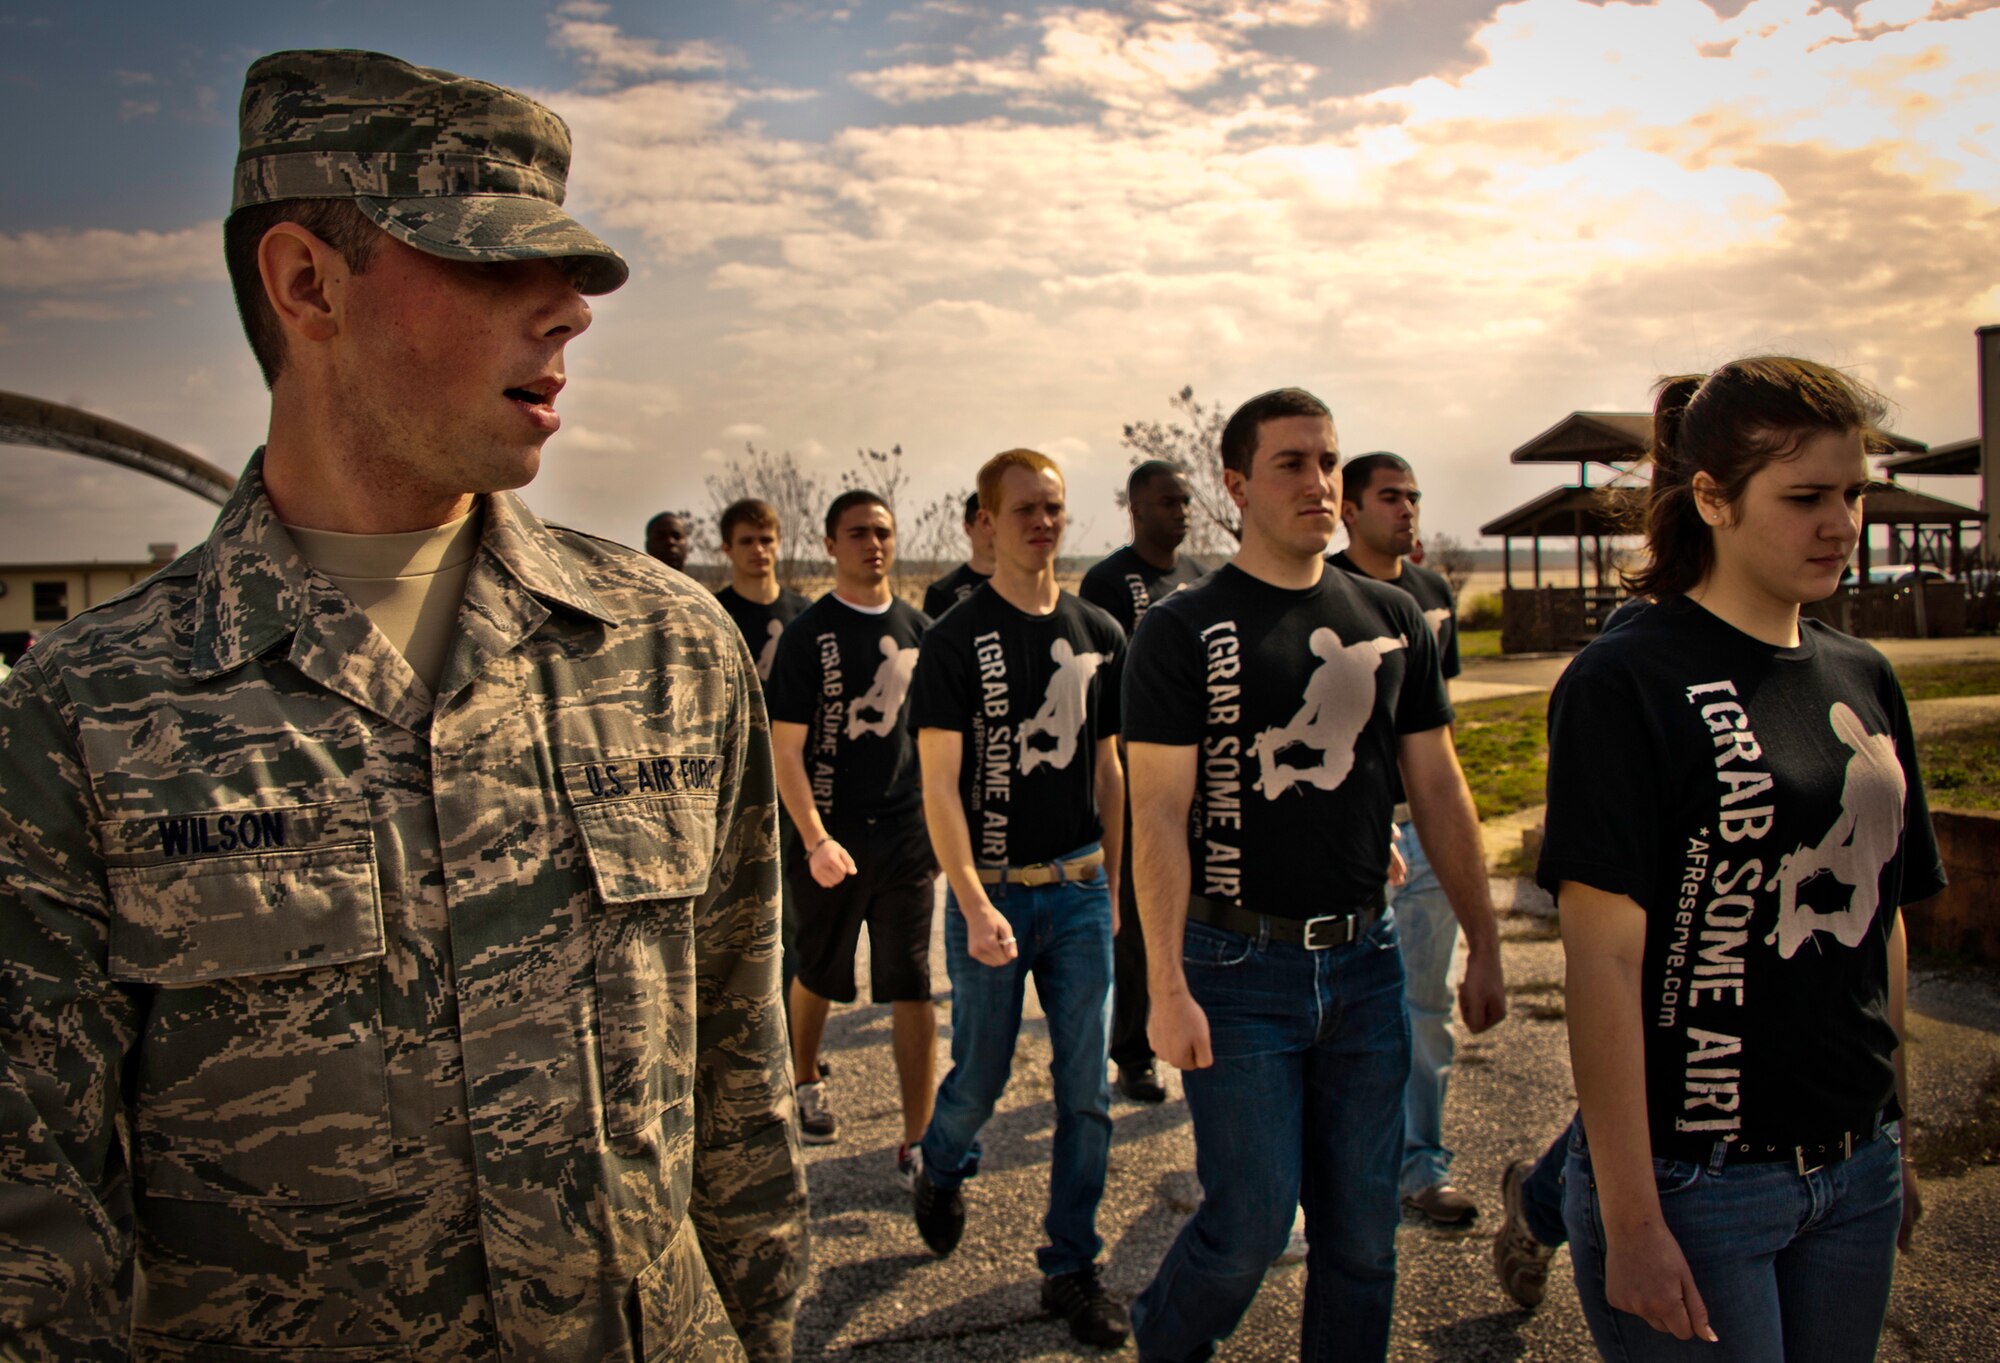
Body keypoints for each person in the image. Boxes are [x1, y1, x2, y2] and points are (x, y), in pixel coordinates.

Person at [0, 49, 806, 1362]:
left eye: (568, 273)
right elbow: (34, 1235)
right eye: (494, 263)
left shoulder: (667, 649)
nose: (566, 314)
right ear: (306, 281)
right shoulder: (87, 713)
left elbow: (739, 1096)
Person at [1542, 357, 1940, 1361]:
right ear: (1711, 497)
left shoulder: (1863, 675)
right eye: (1802, 496)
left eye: (1851, 493)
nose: (1839, 523)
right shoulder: (1622, 680)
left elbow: (1883, 915)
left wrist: (1894, 1127)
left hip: (1854, 1166)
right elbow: (1602, 961)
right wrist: (1630, 1219)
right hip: (1696, 1182)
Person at [1123, 387, 1506, 1363]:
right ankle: (1162, 1344)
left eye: (1327, 461)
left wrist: (1485, 940)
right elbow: (1157, 812)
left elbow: (1437, 786)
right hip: (1236, 965)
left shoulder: (1389, 618)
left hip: (1366, 963)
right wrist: (1164, 987)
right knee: (1247, 1228)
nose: (1317, 482)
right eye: (1290, 462)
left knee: (1363, 1245)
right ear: (1236, 485)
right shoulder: (1181, 629)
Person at [906, 449, 1131, 1349]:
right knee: (983, 1077)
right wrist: (968, 897)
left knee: (1088, 1091)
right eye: (1025, 509)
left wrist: (1114, 880)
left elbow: (1109, 767)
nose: (1043, 522)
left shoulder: (1101, 632)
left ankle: (1071, 1267)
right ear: (987, 522)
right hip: (991, 894)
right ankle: (940, 1158)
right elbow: (939, 786)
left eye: (1056, 507)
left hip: (1078, 890)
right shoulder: (956, 641)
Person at [765, 490, 936, 1186]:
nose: (874, 544)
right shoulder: (809, 635)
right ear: (832, 543)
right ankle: (804, 1076)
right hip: (830, 835)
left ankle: (919, 1140)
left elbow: (938, 743)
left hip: (904, 835)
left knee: (913, 983)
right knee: (819, 970)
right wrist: (814, 837)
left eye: (884, 532)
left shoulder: (924, 630)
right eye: (858, 533)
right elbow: (785, 751)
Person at [1329, 451, 1476, 1226]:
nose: (1408, 509)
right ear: (1349, 508)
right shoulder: (1320, 595)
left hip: (1421, 834)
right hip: (1349, 839)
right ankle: (1328, 1178)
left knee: (1424, 1010)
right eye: (1390, 497)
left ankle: (1422, 1165)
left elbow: (1437, 738)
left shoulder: (1431, 596)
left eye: (1414, 496)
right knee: (1338, 1016)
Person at [1079, 459, 1207, 1106]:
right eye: (1167, 501)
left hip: (1201, 772)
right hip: (1135, 770)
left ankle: (1203, 1033)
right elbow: (1096, 687)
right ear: (1135, 508)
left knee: (1202, 910)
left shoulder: (1200, 578)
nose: (1180, 510)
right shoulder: (1108, 581)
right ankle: (1131, 1051)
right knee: (1138, 914)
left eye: (1184, 500)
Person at [713, 497, 813, 1007]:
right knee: (729, 916)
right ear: (727, 548)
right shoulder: (712, 614)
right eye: (747, 541)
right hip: (729, 790)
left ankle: (796, 1043)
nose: (759, 550)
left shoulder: (806, 617)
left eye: (767, 539)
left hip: (794, 787)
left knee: (794, 917)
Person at [922, 491, 995, 618]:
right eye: (985, 523)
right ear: (967, 529)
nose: (993, 532)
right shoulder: (942, 594)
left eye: (999, 523)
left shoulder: (1028, 587)